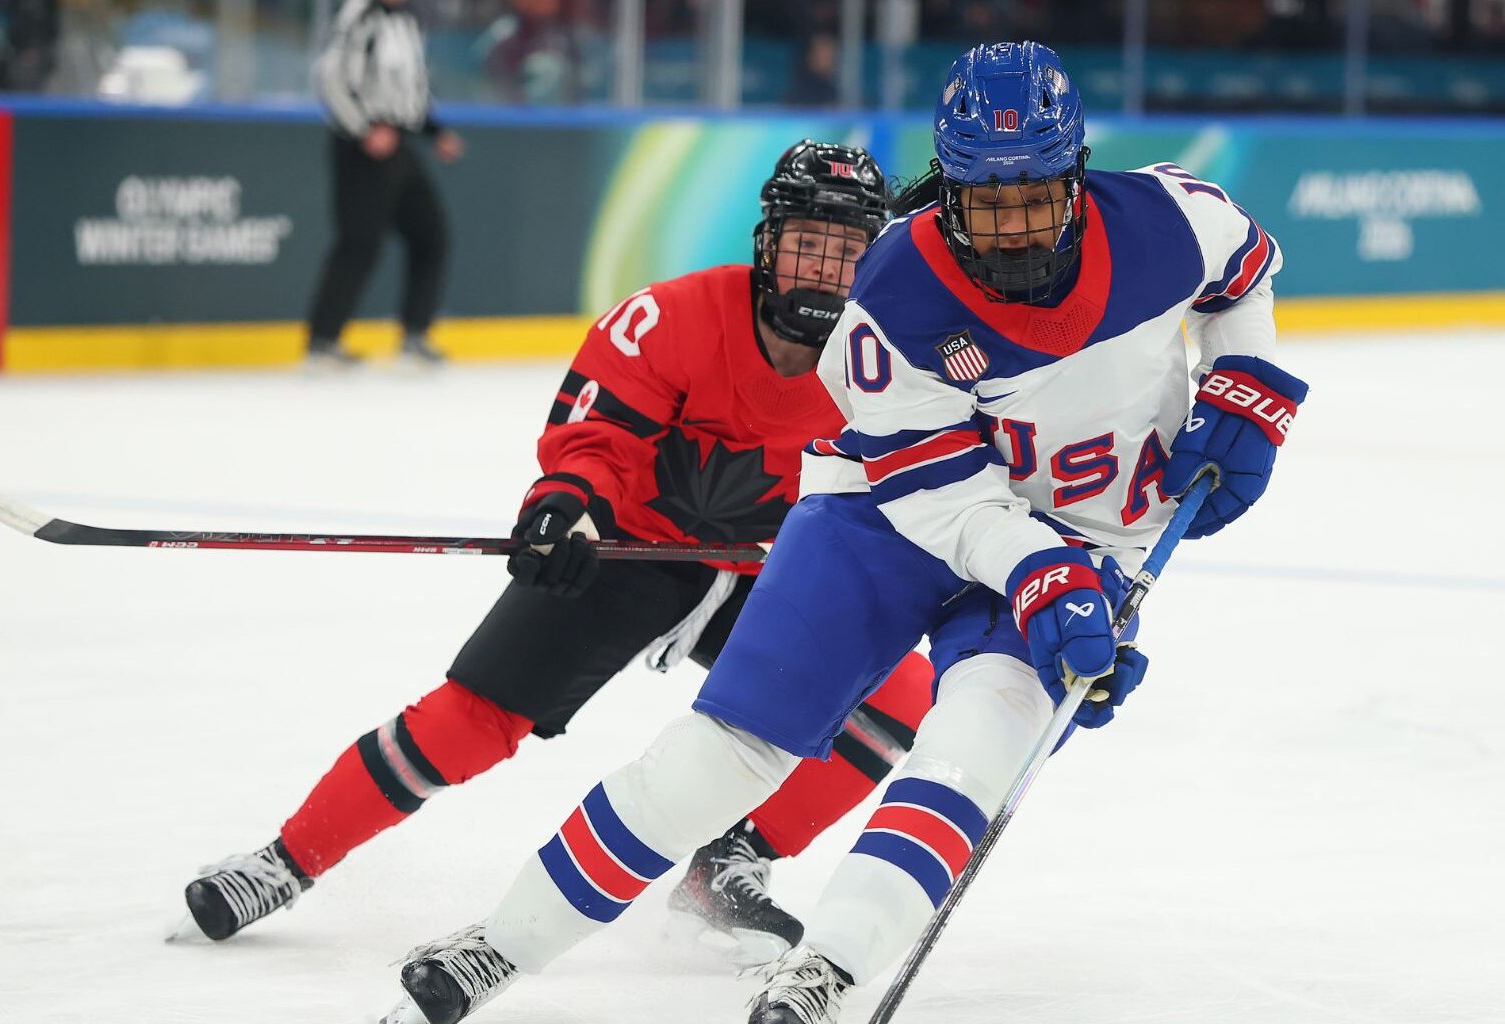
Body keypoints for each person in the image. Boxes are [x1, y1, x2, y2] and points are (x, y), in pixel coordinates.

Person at [379, 40, 1309, 1024]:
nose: (1013, 230)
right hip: (891, 512)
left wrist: (1252, 388)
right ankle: (500, 943)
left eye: (1034, 196)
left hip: (1087, 538)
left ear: (1076, 174)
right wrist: (1040, 572)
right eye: (986, 202)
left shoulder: (1174, 220)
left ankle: (827, 969)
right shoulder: (896, 291)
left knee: (966, 761)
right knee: (724, 753)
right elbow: (943, 497)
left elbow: (1246, 273)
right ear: (947, 190)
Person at [184, 140, 938, 968]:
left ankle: (730, 866)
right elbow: (599, 434)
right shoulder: (675, 317)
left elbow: (935, 476)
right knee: (473, 720)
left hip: (769, 571)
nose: (824, 270)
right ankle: (286, 861)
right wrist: (568, 506)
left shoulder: (889, 360)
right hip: (627, 552)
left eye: (848, 250)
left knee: (899, 690)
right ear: (767, 242)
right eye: (806, 243)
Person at [305, 0, 465, 367]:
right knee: (359, 242)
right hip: (362, 148)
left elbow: (410, 88)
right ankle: (322, 340)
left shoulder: (407, 20)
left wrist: (434, 131)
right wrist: (364, 129)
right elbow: (331, 77)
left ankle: (414, 334)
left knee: (431, 235)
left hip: (399, 145)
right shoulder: (359, 14)